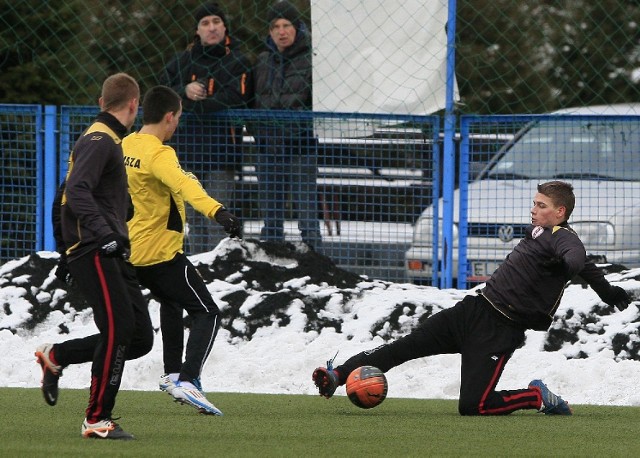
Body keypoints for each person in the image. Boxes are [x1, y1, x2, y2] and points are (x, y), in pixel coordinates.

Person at [313, 181, 632, 415]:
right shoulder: (539, 231)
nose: (533, 210)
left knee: (474, 406)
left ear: (560, 212)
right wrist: (608, 292)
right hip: (474, 309)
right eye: (534, 203)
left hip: (500, 330)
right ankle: (337, 374)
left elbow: (577, 258)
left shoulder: (563, 237)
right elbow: (589, 268)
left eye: (541, 206)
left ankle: (535, 396)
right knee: (403, 348)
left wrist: (571, 265)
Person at [35, 73, 154, 440]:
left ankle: (57, 355)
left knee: (138, 338)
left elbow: (64, 195)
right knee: (118, 329)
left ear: (102, 102)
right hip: (97, 250)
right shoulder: (101, 140)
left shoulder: (104, 139)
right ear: (134, 104)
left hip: (108, 249)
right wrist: (93, 240)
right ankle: (97, 418)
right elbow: (75, 191)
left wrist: (121, 214)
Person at [122, 85, 241, 416]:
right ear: (170, 117)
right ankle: (188, 378)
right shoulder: (159, 153)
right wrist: (220, 212)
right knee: (207, 311)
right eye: (178, 119)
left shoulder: (126, 144)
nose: (176, 126)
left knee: (171, 302)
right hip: (159, 252)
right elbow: (184, 184)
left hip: (130, 249)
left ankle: (173, 374)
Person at [160, 3, 252, 254]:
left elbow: (237, 97)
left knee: (218, 219)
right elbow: (161, 91)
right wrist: (184, 91)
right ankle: (198, 270)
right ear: (197, 31)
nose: (211, 28)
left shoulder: (238, 62)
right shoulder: (181, 61)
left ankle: (220, 273)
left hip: (222, 155)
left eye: (216, 22)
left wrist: (192, 105)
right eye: (205, 23)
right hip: (187, 153)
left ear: (224, 26)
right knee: (195, 222)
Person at [251, 1, 322, 250]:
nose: (282, 31)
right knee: (271, 222)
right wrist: (259, 134)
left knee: (307, 220)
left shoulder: (313, 59)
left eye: (287, 25)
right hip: (267, 150)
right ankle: (269, 270)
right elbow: (250, 102)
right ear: (270, 32)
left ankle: (318, 272)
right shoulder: (261, 61)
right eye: (276, 26)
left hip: (300, 149)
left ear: (297, 27)